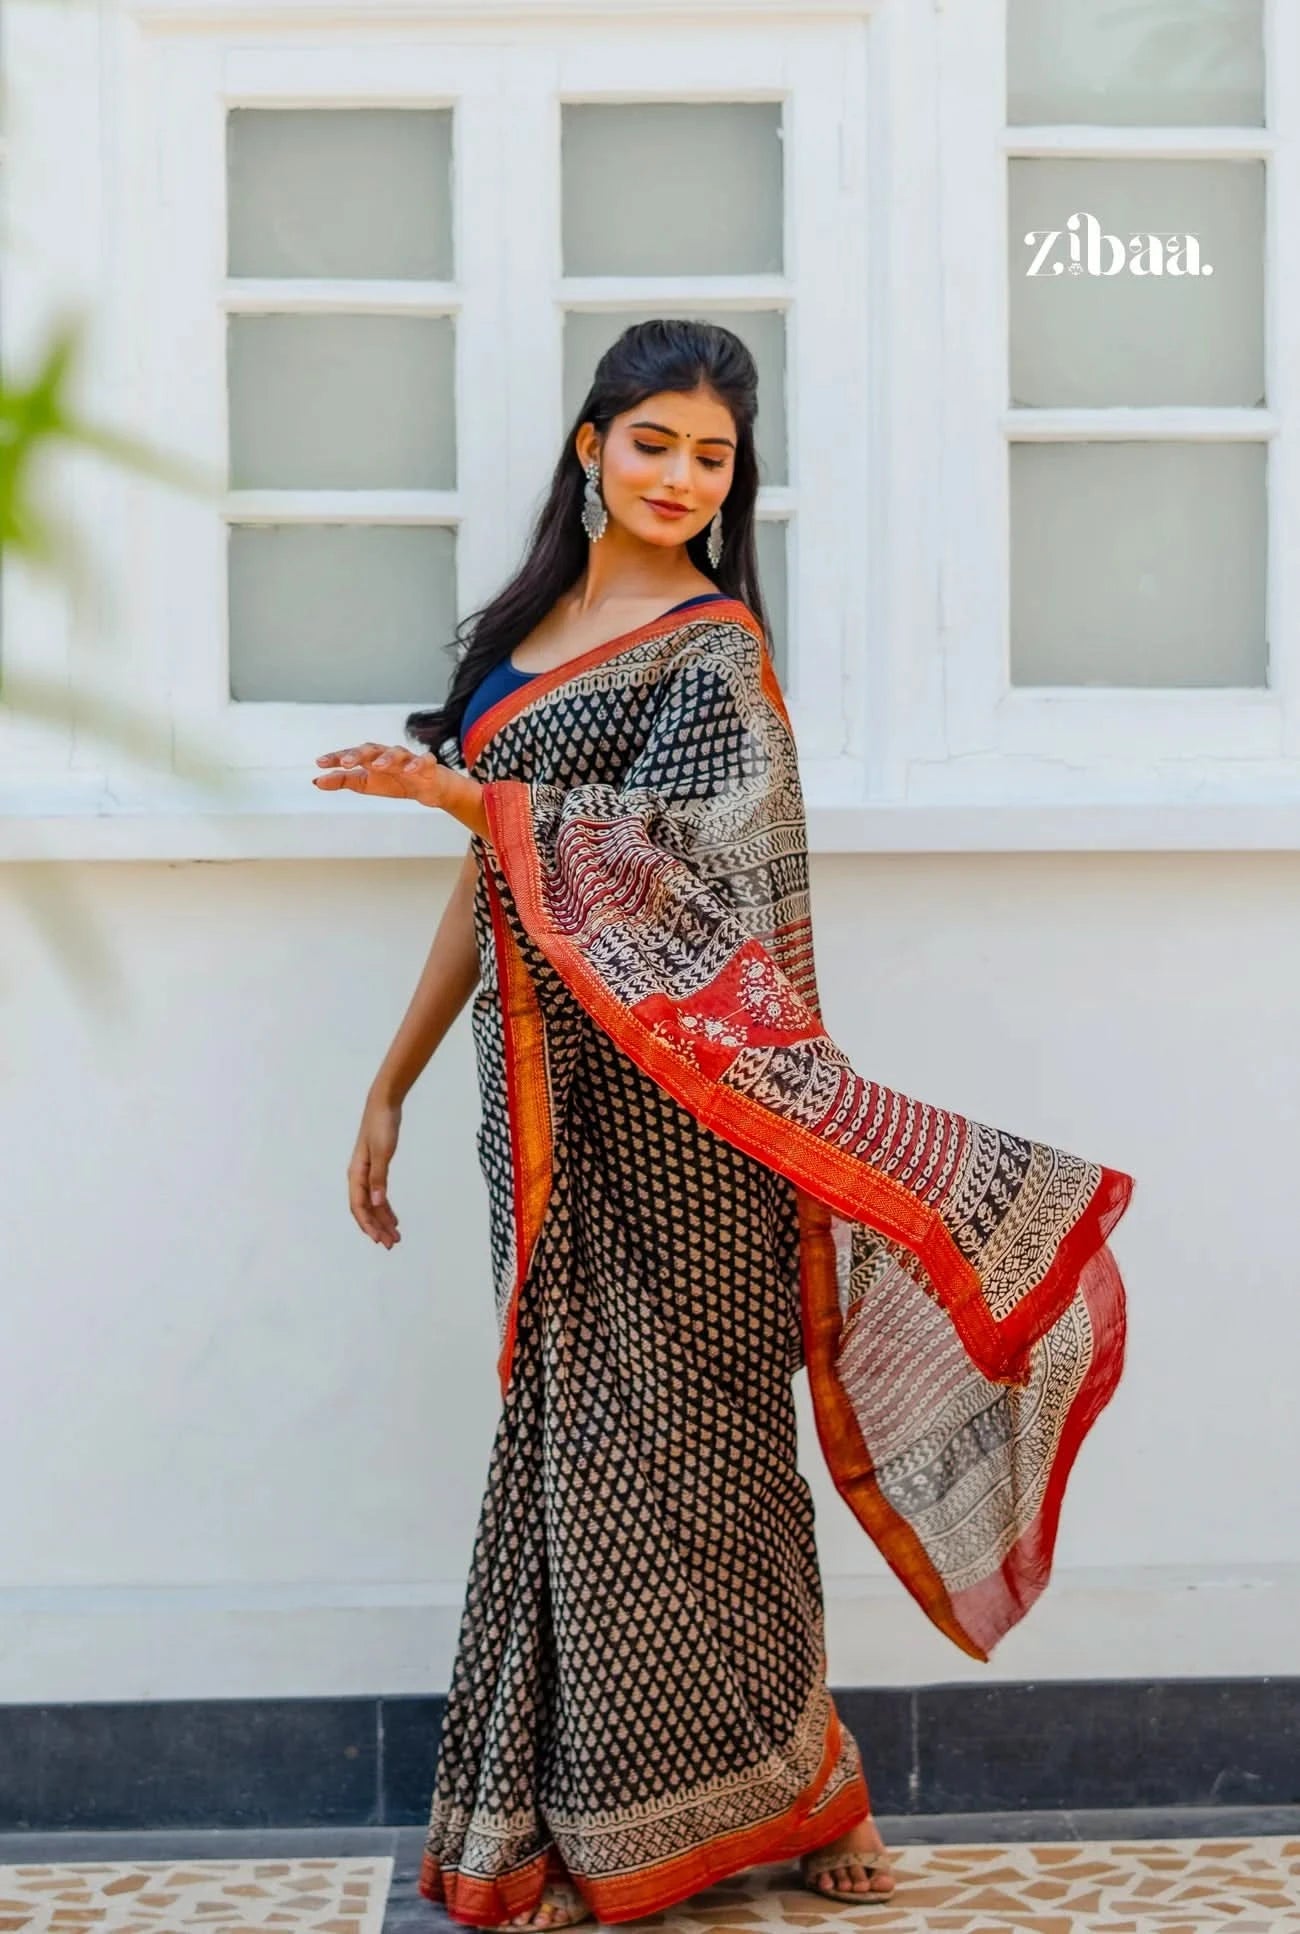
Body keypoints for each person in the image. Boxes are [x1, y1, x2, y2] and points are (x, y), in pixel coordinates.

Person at [313, 320, 1135, 1933]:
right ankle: (570, 1816)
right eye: (656, 443)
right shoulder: (520, 640)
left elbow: (701, 863)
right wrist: (391, 1076)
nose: (685, 477)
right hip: (542, 1104)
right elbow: (495, 891)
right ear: (590, 447)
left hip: (692, 1112)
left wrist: (469, 800)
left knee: (707, 1449)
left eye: (714, 455)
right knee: (570, 1447)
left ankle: (800, 1781)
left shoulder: (711, 650)